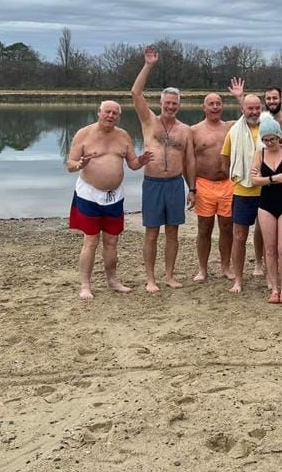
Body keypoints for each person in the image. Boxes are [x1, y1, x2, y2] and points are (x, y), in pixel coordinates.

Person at [67, 100, 153, 299]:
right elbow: (69, 164)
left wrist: (141, 160)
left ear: (119, 116)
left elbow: (132, 164)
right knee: (90, 240)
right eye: (107, 112)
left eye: (115, 113)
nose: (111, 115)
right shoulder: (84, 134)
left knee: (112, 240)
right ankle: (85, 285)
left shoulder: (123, 136)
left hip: (114, 196)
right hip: (89, 194)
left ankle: (112, 280)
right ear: (99, 112)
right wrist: (79, 164)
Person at [131, 48, 195, 293]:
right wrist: (148, 65)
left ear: (179, 105)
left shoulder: (185, 130)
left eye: (174, 104)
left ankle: (169, 275)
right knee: (151, 232)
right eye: (167, 103)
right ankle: (150, 278)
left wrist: (193, 188)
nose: (170, 107)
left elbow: (189, 161)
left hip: (175, 184)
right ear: (160, 103)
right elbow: (135, 92)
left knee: (172, 232)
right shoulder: (149, 121)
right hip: (153, 183)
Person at [250, 113, 282, 303]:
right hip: (266, 204)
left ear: (279, 137)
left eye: (273, 139)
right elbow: (253, 181)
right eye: (265, 140)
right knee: (269, 249)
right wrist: (272, 179)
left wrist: (265, 179)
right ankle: (274, 288)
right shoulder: (259, 154)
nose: (269, 143)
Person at [222, 92, 264, 293]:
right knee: (239, 236)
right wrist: (236, 177)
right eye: (250, 108)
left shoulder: (269, 128)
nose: (254, 112)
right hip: (242, 190)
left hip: (266, 189)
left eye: (257, 108)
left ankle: (260, 265)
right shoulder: (234, 132)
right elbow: (225, 160)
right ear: (243, 109)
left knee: (264, 232)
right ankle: (238, 279)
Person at [190, 93, 234, 281]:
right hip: (204, 183)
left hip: (227, 183)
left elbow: (251, 117)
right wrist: (191, 188)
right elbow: (189, 161)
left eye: (218, 104)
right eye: (211, 104)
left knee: (226, 227)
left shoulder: (230, 127)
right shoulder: (194, 131)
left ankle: (225, 266)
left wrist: (240, 96)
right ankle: (203, 268)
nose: (215, 107)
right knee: (204, 228)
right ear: (204, 107)